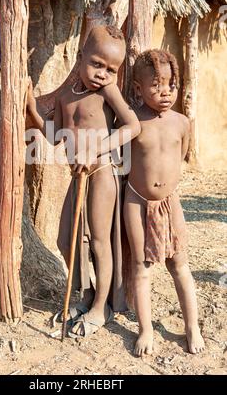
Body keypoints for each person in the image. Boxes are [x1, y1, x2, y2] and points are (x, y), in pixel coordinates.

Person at [26, 25, 141, 337]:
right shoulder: (66, 96)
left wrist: (97, 148)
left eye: (111, 69)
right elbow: (52, 138)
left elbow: (132, 127)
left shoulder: (106, 93)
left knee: (100, 242)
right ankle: (87, 294)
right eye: (97, 64)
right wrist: (30, 107)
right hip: (78, 177)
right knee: (67, 240)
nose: (103, 73)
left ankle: (101, 307)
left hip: (102, 172)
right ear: (80, 57)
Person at [123, 49, 205, 355]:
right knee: (141, 267)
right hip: (137, 200)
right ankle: (145, 331)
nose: (165, 91)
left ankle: (191, 326)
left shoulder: (182, 122)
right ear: (138, 89)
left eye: (171, 84)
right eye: (155, 85)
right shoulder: (133, 121)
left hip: (170, 203)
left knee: (180, 266)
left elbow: (181, 155)